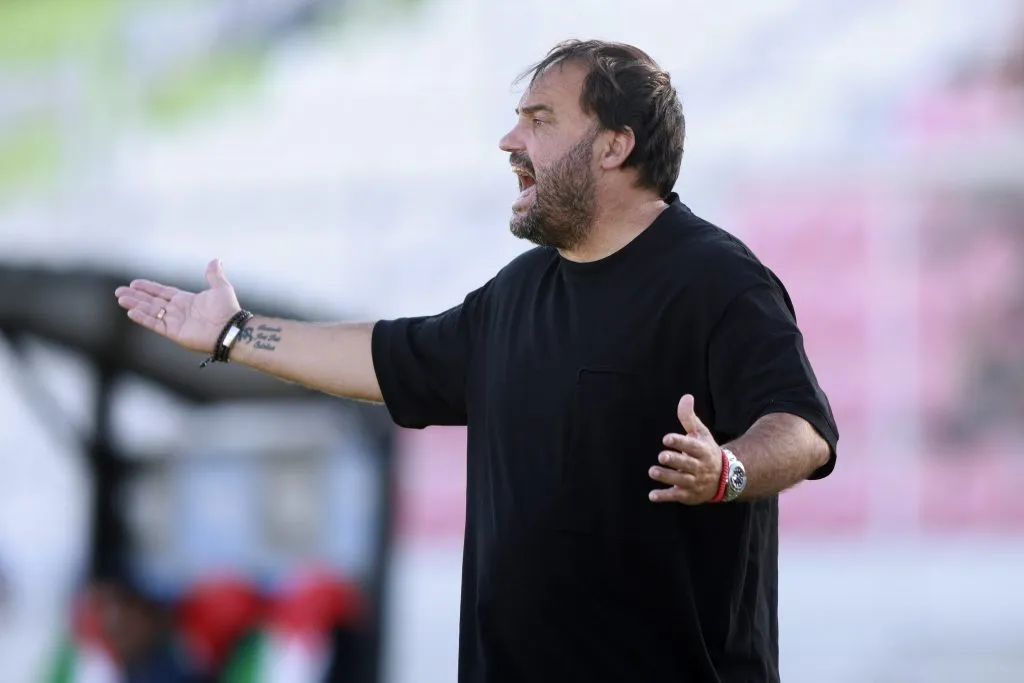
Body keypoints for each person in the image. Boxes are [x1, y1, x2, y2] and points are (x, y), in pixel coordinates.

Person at [115, 39, 838, 683]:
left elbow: (803, 430)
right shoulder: (515, 295)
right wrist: (234, 332)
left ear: (615, 145)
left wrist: (727, 472)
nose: (509, 140)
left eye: (540, 119)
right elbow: (383, 355)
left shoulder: (716, 280)